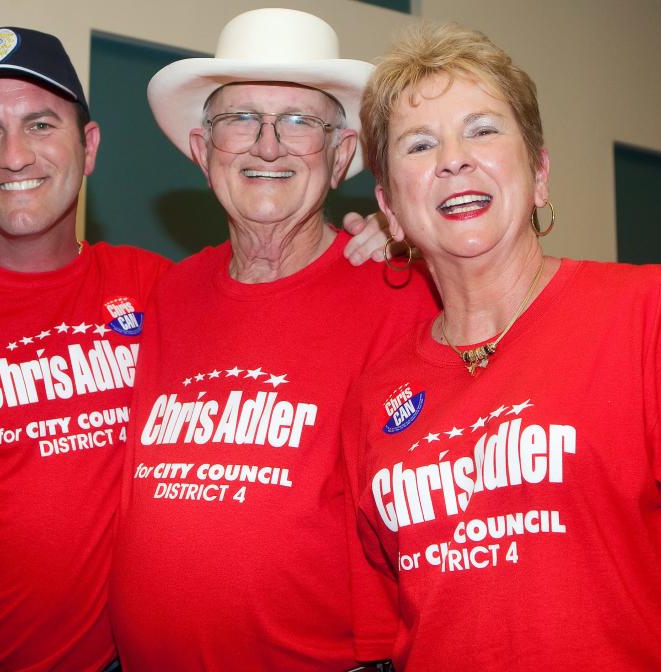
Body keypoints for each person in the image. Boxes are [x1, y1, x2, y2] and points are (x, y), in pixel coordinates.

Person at [0, 24, 390, 672]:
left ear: (87, 147)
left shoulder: (159, 289)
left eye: (40, 125)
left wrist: (406, 243)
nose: (14, 157)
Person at [341, 21, 661, 669]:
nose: (454, 158)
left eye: (483, 130)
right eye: (420, 144)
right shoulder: (375, 396)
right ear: (391, 210)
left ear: (540, 173)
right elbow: (385, 636)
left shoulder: (656, 314)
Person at [108, 8, 439, 670]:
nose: (267, 146)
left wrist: (421, 247)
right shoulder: (168, 295)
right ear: (203, 152)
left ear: (341, 154)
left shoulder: (402, 295)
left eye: (298, 122)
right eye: (240, 120)